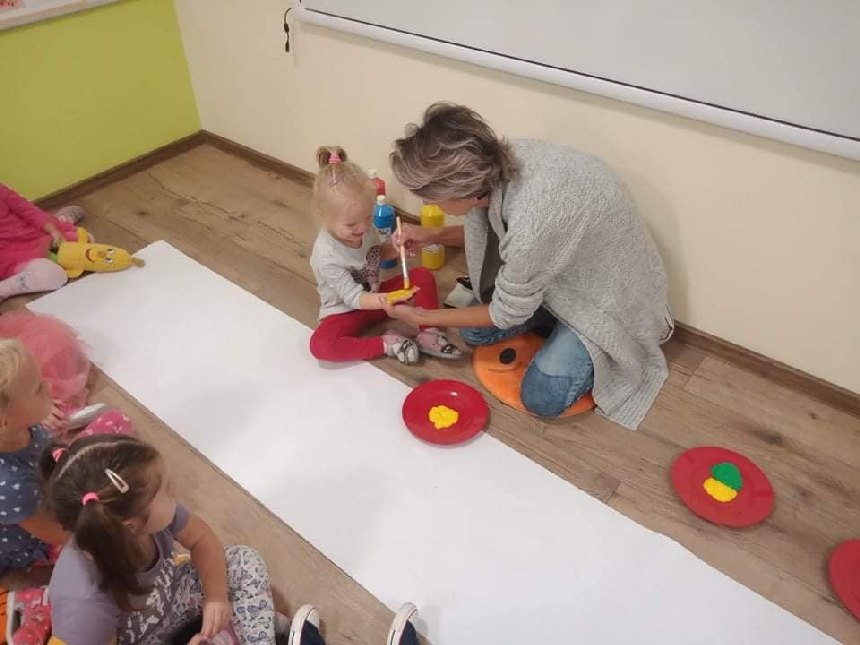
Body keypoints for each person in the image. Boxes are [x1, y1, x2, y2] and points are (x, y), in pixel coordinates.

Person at [388, 103, 673, 429]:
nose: (427, 203)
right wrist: (432, 235)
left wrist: (423, 317)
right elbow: (507, 240)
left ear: (460, 191)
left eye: (430, 196)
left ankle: (579, 336)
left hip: (606, 298)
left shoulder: (532, 220)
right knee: (473, 331)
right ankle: (549, 318)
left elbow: (507, 303)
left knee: (543, 397)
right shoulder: (497, 160)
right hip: (561, 270)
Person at [42, 434, 286, 644]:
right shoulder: (84, 602)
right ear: (131, 525)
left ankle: (250, 633)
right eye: (167, 491)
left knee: (243, 560)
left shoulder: (141, 517)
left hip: (174, 597)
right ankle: (243, 624)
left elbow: (202, 539)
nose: (175, 492)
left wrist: (216, 597)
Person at [308, 146, 460, 365]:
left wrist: (395, 247)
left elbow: (374, 255)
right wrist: (390, 299)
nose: (363, 228)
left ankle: (429, 332)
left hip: (377, 299)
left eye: (367, 218)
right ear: (324, 216)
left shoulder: (363, 228)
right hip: (344, 312)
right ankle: (387, 344)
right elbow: (353, 298)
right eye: (351, 224)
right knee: (321, 346)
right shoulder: (326, 255)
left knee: (422, 276)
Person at [0, 339, 68, 593]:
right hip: (31, 540)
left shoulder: (21, 425)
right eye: (38, 388)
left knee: (115, 422)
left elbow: (50, 451)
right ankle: (27, 577)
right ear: (3, 422)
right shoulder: (11, 486)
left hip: (48, 488)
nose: (48, 386)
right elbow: (56, 534)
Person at [0, 182, 86, 302]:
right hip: (9, 256)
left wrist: (53, 230)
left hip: (30, 234)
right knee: (55, 276)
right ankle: (3, 290)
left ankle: (59, 220)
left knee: (86, 240)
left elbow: (27, 210)